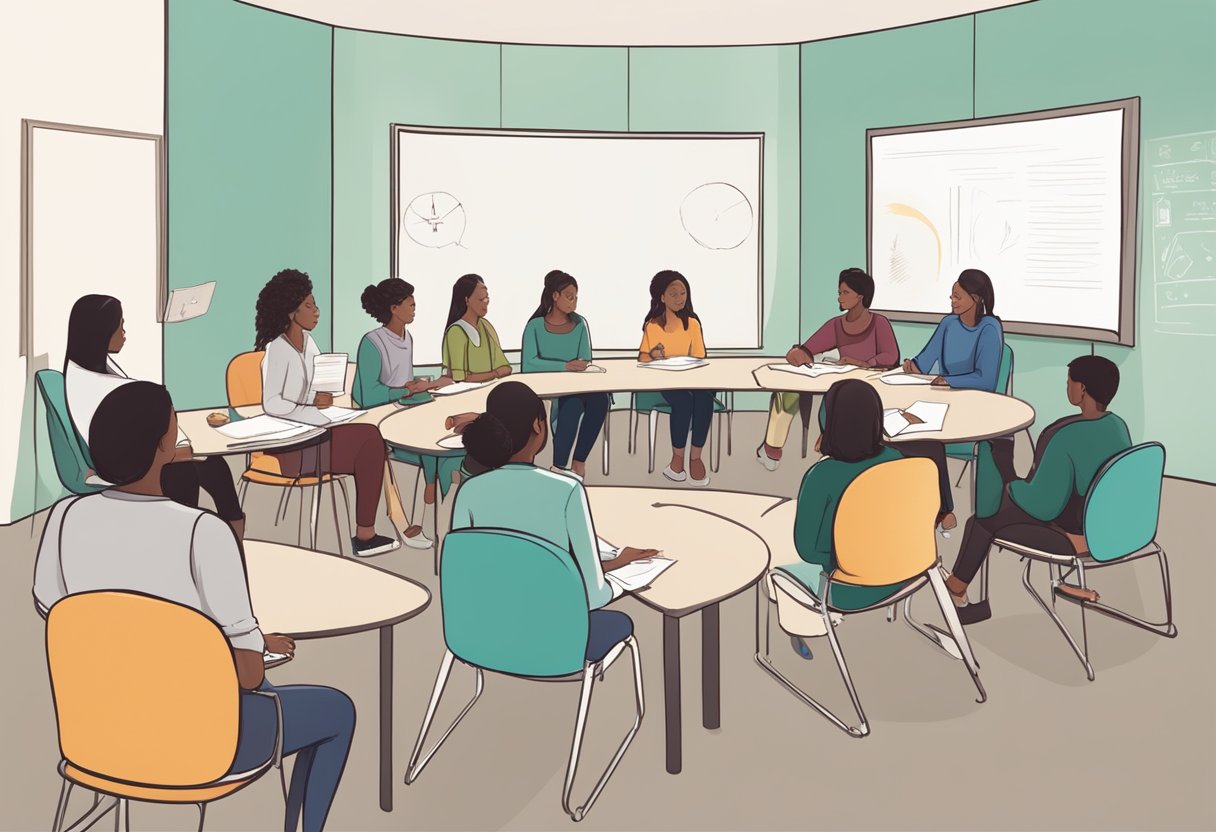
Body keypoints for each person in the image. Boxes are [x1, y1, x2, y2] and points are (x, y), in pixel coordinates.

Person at [33, 382, 355, 832]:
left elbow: (66, 618)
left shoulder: (63, 519)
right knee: (337, 709)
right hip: (199, 746)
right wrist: (241, 647)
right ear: (165, 446)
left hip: (97, 734)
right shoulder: (203, 532)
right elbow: (249, 675)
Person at [943, 355, 1132, 624]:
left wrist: (1009, 477)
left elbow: (1042, 506)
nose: (1067, 386)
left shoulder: (1067, 437)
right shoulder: (1117, 426)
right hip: (1107, 527)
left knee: (985, 519)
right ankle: (957, 584)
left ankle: (957, 587)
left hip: (1073, 537)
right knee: (991, 511)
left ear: (1082, 389)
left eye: (1069, 382)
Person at [450, 381, 656, 610]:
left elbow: (472, 576)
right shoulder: (566, 491)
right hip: (557, 637)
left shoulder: (468, 493)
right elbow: (594, 596)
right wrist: (619, 569)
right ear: (538, 426)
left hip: (483, 635)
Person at [63, 294, 246, 541]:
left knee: (213, 466)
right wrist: (182, 451)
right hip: (123, 466)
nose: (124, 332)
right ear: (102, 332)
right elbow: (122, 450)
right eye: (120, 326)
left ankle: (234, 540)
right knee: (190, 470)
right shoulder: (94, 387)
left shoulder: (96, 368)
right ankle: (184, 544)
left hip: (135, 454)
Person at [256, 268, 401, 556]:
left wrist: (319, 399)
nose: (317, 311)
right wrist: (310, 409)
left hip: (315, 432)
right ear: (290, 312)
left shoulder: (309, 344)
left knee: (370, 437)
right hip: (290, 445)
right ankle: (365, 534)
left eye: (315, 304)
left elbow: (307, 389)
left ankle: (366, 531)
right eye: (308, 306)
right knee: (370, 441)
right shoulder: (277, 349)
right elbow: (272, 403)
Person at [784, 379, 907, 659]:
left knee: (777, 568)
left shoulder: (821, 476)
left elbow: (807, 550)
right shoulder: (899, 459)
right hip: (905, 573)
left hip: (846, 590)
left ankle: (807, 625)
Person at [758, 268, 899, 471]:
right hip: (841, 386)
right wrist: (798, 353)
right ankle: (772, 447)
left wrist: (864, 362)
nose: (839, 297)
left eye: (845, 292)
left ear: (860, 296)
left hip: (873, 388)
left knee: (840, 406)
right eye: (839, 292)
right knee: (788, 389)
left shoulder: (879, 323)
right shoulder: (836, 325)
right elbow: (808, 347)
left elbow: (891, 356)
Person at [898, 269, 1004, 534]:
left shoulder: (990, 328)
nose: (952, 301)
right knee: (903, 429)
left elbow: (987, 380)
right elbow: (925, 360)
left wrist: (950, 381)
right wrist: (913, 367)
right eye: (951, 296)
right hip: (941, 401)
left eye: (957, 296)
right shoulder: (948, 324)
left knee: (925, 438)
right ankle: (936, 509)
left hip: (974, 407)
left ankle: (942, 510)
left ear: (976, 298)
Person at [354, 278, 458, 544]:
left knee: (441, 437)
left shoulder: (407, 337)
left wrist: (425, 385)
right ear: (393, 308)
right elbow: (369, 396)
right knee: (429, 444)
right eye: (410, 304)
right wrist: (409, 390)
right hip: (378, 417)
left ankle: (430, 512)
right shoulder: (372, 342)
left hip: (404, 409)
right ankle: (419, 517)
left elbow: (406, 381)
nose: (415, 309)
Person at [521, 270, 609, 481]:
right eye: (570, 296)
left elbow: (585, 357)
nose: (574, 302)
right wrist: (565, 367)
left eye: (576, 297)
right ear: (555, 296)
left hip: (579, 384)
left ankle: (579, 462)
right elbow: (529, 364)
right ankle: (559, 465)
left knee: (601, 400)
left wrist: (579, 366)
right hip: (549, 388)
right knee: (573, 402)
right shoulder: (535, 326)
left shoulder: (580, 324)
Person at [638, 270, 714, 487]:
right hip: (665, 380)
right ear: (661, 297)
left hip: (691, 378)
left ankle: (696, 456)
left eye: (683, 293)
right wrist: (653, 355)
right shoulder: (653, 325)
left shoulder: (693, 323)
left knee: (704, 398)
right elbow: (643, 356)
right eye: (673, 294)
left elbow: (700, 356)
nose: (680, 298)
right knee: (683, 402)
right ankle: (677, 457)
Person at [442, 274, 511, 383]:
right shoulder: (456, 332)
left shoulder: (486, 326)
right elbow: (459, 378)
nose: (486, 302)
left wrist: (496, 373)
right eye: (481, 299)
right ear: (467, 300)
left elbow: (505, 367)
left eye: (487, 298)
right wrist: (495, 373)